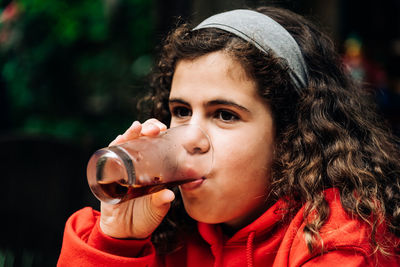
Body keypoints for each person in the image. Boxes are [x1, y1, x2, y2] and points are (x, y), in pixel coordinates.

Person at [57, 6, 400, 267]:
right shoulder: (167, 229)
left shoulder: (340, 242)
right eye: (181, 111)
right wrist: (116, 243)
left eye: (224, 114)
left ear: (291, 134)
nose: (190, 139)